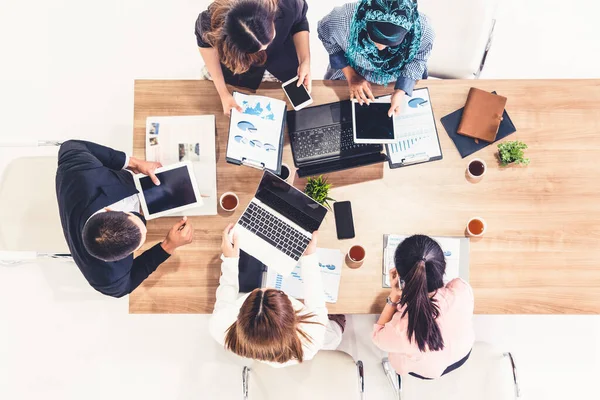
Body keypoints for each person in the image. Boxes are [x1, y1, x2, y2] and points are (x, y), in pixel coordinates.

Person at [55, 140, 194, 298]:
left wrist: (132, 163)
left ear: (109, 209)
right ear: (121, 257)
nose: (142, 217)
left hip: (99, 187)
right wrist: (168, 246)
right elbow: (126, 286)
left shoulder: (79, 172)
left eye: (134, 215)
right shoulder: (108, 280)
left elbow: (69, 146)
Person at [210, 224, 345, 367]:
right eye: (277, 292)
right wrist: (309, 255)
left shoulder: (220, 326)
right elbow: (317, 301)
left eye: (258, 291)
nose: (267, 286)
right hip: (322, 333)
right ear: (292, 317)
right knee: (337, 321)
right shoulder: (313, 335)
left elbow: (226, 290)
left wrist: (230, 259)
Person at [372, 235, 474, 379]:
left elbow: (378, 336)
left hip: (428, 369)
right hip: (461, 354)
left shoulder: (401, 329)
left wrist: (394, 295)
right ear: (442, 267)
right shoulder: (461, 289)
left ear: (401, 280)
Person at [195, 0, 312, 116]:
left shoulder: (289, 3)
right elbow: (206, 47)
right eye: (257, 48)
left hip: (282, 65)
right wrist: (223, 93)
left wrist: (305, 60)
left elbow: (299, 22)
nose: (265, 49)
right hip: (236, 74)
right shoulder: (209, 21)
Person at [318, 0, 434, 116]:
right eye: (374, 38)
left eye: (390, 43)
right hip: (351, 73)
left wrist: (401, 90)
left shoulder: (423, 30)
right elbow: (325, 34)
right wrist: (351, 75)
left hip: (398, 78)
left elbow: (418, 58)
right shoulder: (343, 19)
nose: (381, 48)